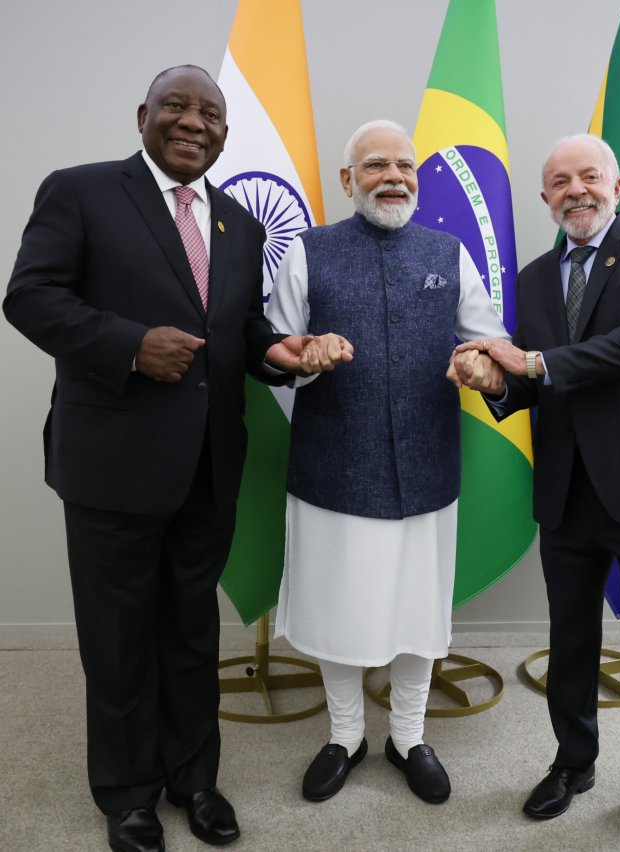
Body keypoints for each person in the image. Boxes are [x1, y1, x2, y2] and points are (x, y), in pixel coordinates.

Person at [4, 65, 317, 852]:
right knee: (118, 641)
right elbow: (31, 297)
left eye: (209, 113)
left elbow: (238, 329)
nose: (193, 122)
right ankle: (128, 795)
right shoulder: (80, 192)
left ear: (223, 131)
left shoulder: (240, 225)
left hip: (208, 468)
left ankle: (195, 781)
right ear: (143, 114)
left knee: (188, 634)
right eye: (176, 106)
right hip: (112, 465)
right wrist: (130, 346)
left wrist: (280, 353)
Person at [449, 133, 620, 852]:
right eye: (561, 181)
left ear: (618, 184)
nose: (577, 190)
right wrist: (495, 385)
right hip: (567, 490)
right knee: (570, 647)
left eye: (590, 176)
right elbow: (535, 384)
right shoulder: (536, 277)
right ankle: (574, 766)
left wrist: (529, 361)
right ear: (545, 198)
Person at [265, 119, 508, 805]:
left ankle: (407, 735)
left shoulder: (448, 250)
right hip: (332, 467)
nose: (393, 177)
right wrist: (304, 358)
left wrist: (477, 363)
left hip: (428, 465)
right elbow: (276, 351)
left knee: (417, 609)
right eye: (375, 166)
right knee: (336, 609)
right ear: (348, 181)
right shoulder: (308, 253)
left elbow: (491, 343)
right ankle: (345, 737)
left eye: (404, 165)